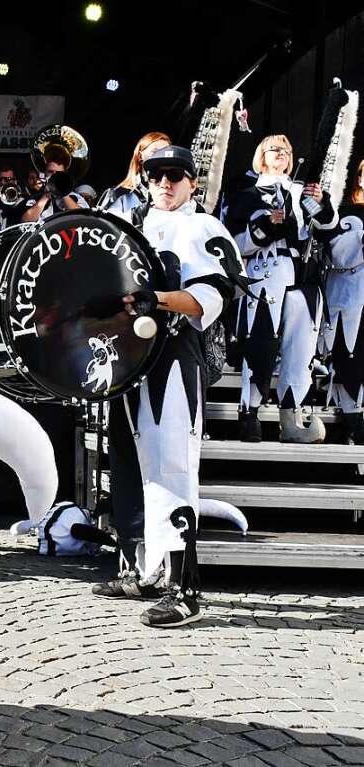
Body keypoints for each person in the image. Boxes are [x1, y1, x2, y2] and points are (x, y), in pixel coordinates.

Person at [96, 146, 239, 627]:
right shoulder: (130, 225)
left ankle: (184, 589)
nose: (164, 183)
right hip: (130, 362)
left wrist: (156, 299)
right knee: (135, 468)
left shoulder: (204, 228)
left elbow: (211, 297)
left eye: (175, 175)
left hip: (175, 355)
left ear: (192, 182)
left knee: (173, 466)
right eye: (155, 174)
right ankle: (149, 569)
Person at [223, 135, 339, 442]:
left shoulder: (302, 193)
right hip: (264, 273)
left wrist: (323, 203)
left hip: (302, 277)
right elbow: (231, 244)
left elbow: (328, 230)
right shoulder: (246, 194)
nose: (282, 155)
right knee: (260, 343)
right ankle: (250, 412)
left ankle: (291, 418)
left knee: (300, 350)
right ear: (261, 155)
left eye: (287, 150)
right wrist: (264, 229)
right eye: (275, 149)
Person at [318, 159, 364, 442]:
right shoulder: (344, 213)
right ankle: (354, 421)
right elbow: (338, 256)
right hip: (350, 301)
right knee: (351, 359)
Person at [99, 131, 171, 214]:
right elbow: (102, 225)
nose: (161, 157)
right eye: (155, 152)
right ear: (140, 156)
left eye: (165, 153)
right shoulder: (118, 194)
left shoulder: (174, 195)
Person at [21, 148, 89, 222]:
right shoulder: (34, 199)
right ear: (44, 174)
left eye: (58, 172)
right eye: (50, 172)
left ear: (64, 175)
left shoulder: (76, 197)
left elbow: (84, 219)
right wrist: (45, 197)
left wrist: (63, 192)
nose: (54, 175)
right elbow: (25, 222)